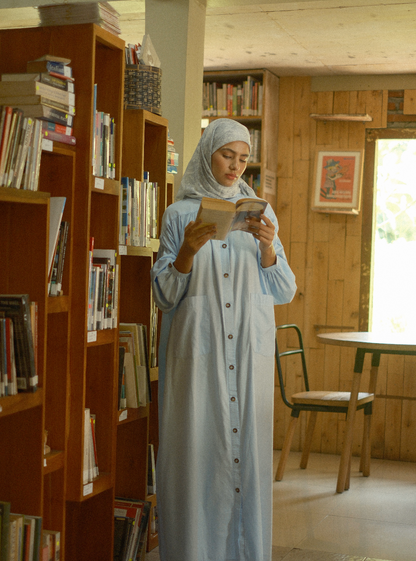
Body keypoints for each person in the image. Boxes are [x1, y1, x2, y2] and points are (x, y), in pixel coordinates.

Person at [150, 118, 297, 561]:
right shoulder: (180, 214)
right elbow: (162, 295)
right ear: (208, 154)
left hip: (247, 360)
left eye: (243, 158)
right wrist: (187, 254)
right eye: (226, 156)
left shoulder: (261, 215)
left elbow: (285, 289)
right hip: (198, 361)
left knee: (247, 464)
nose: (235, 167)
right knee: (197, 461)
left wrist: (269, 249)